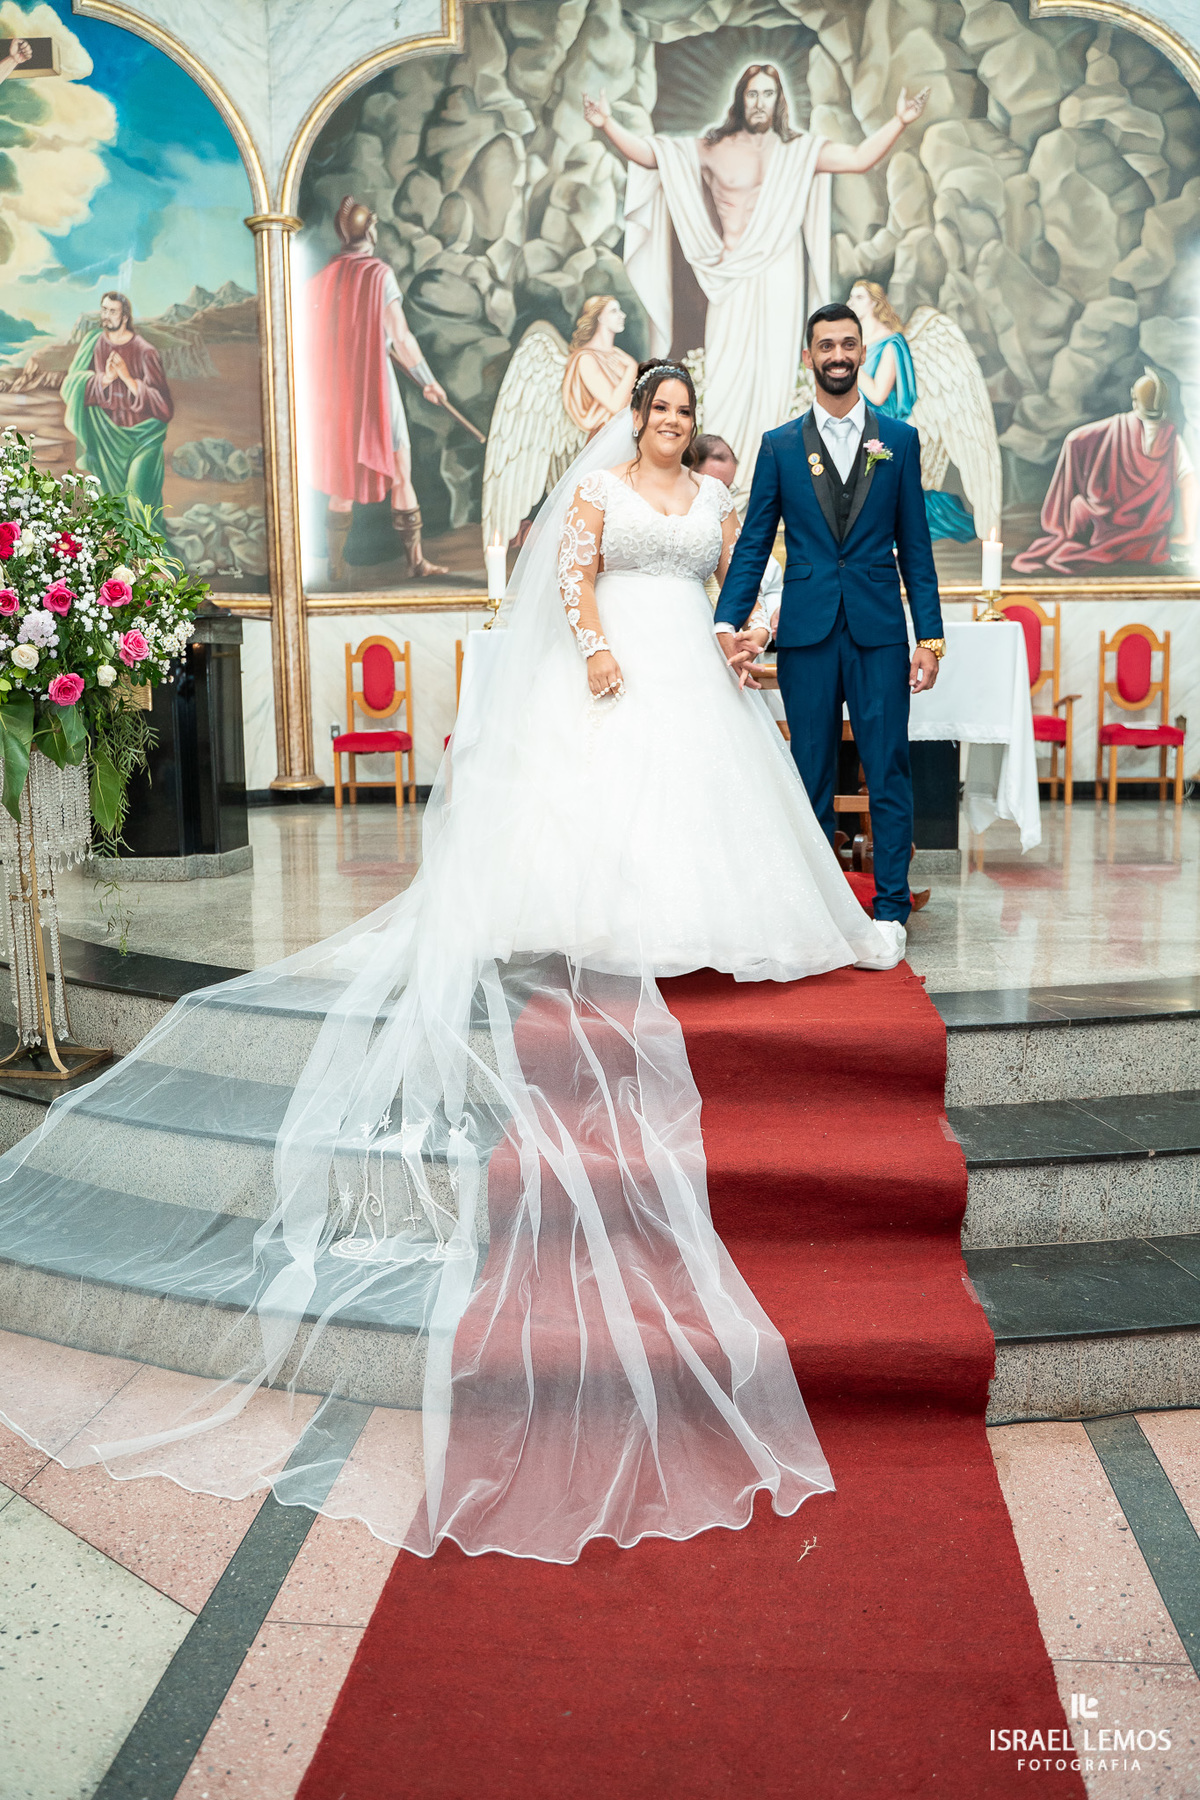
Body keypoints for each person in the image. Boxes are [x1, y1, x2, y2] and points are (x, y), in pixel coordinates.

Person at [0, 360, 901, 1570]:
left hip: (699, 672)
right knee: (612, 819)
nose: (675, 426)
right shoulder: (604, 493)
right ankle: (618, 925)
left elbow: (738, 582)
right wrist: (588, 650)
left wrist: (741, 642)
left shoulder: (717, 504)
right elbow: (574, 581)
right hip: (618, 674)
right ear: (636, 418)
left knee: (715, 809)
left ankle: (722, 927)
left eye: (688, 414)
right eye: (662, 411)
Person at [716, 303, 945, 962]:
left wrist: (928, 638)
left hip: (878, 632)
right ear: (809, 357)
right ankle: (816, 910)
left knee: (888, 771)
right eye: (826, 345)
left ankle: (892, 910)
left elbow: (917, 548)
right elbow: (756, 541)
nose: (838, 354)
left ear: (861, 353)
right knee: (809, 775)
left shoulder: (898, 441)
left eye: (849, 343)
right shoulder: (781, 446)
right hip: (809, 632)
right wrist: (727, 621)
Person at [584, 66, 929, 473]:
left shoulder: (798, 151)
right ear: (740, 99)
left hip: (781, 272)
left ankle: (769, 474)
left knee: (776, 374)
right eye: (752, 94)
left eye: (768, 94)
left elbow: (857, 159)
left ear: (779, 99)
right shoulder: (714, 147)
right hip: (728, 277)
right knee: (727, 371)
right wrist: (605, 123)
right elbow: (652, 155)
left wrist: (900, 121)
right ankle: (725, 475)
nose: (760, 102)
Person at [305, 195, 450, 583]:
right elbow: (400, 337)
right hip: (374, 388)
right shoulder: (378, 273)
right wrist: (428, 382)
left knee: (342, 480)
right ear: (369, 230)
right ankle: (415, 561)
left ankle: (335, 565)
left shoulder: (323, 278)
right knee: (402, 470)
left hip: (337, 395)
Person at [1012, 368, 1198, 574]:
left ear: (1135, 400)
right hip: (1150, 537)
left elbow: (1079, 436)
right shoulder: (1172, 439)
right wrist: (1188, 533)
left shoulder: (1121, 428)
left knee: (1079, 508)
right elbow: (1188, 482)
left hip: (1113, 528)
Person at [848, 281, 975, 543]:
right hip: (857, 423)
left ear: (875, 302)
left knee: (879, 492)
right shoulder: (857, 342)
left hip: (882, 426)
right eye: (851, 297)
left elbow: (878, 394)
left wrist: (852, 366)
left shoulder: (891, 343)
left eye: (859, 297)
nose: (851, 302)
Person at [62, 292, 174, 528]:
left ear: (125, 317)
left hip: (143, 438)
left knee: (137, 500)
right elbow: (72, 384)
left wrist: (127, 378)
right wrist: (105, 379)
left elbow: (164, 407)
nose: (106, 316)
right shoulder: (93, 344)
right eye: (103, 310)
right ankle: (117, 562)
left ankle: (150, 562)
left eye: (112, 311)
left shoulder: (146, 352)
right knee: (110, 506)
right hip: (106, 439)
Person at [561, 295, 637, 435]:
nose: (622, 315)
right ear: (600, 318)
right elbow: (615, 405)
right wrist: (632, 369)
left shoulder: (618, 354)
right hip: (604, 439)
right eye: (614, 311)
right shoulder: (586, 359)